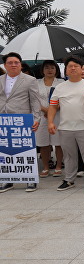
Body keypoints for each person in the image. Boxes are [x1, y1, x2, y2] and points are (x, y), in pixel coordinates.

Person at [48, 56, 84, 191]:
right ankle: (69, 179)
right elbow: (53, 106)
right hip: (65, 127)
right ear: (65, 70)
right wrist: (50, 122)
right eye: (70, 66)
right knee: (69, 155)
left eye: (76, 66)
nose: (73, 68)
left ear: (81, 69)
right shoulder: (60, 87)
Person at [0, 52, 43, 193]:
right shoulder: (0, 79)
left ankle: (30, 180)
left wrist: (36, 118)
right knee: (5, 150)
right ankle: (7, 180)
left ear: (20, 64)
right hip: (3, 120)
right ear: (5, 65)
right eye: (10, 63)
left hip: (22, 120)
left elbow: (35, 101)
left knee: (26, 149)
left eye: (16, 62)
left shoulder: (30, 80)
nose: (13, 65)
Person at [36, 60, 65, 178]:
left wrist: (52, 110)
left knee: (58, 142)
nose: (49, 70)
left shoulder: (61, 82)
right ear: (42, 70)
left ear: (56, 70)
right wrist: (46, 110)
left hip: (58, 115)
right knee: (43, 143)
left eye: (52, 68)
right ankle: (46, 167)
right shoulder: (36, 83)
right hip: (41, 115)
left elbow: (64, 99)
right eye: (47, 68)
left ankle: (58, 166)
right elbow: (33, 99)